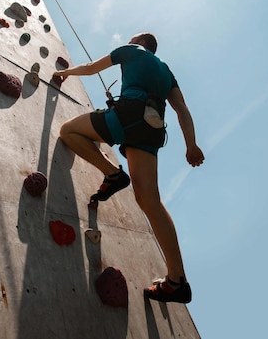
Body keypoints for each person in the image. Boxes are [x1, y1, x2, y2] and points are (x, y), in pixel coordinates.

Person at [52, 32, 205, 303]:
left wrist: (65, 72)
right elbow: (182, 109)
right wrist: (191, 145)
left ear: (140, 42)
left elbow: (90, 68)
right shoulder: (166, 71)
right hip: (152, 128)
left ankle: (112, 172)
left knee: (68, 131)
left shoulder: (132, 50)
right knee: (151, 201)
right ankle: (177, 280)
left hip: (128, 116)